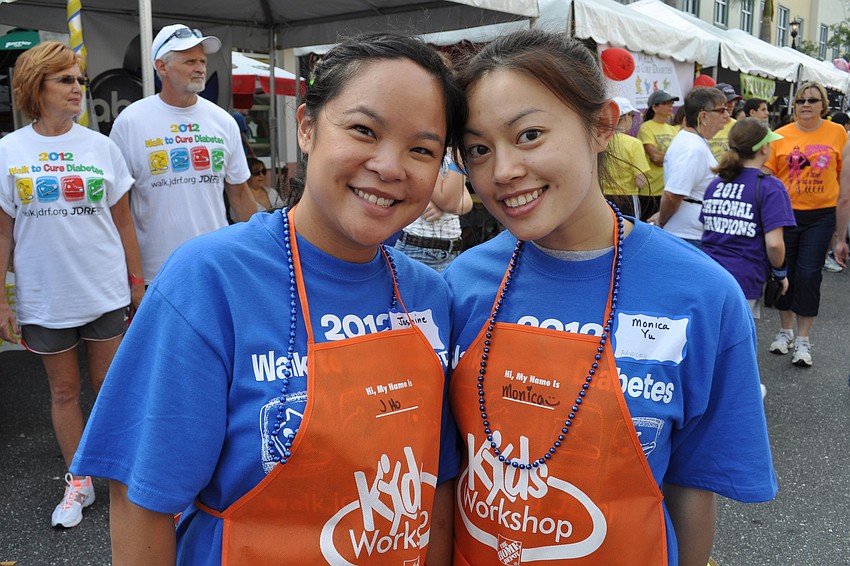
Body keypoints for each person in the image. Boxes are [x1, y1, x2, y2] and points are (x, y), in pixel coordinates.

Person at [71, 33, 464, 565]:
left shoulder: (430, 293)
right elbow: (141, 496)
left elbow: (435, 482)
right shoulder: (211, 279)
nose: (391, 167)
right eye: (363, 130)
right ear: (306, 127)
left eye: (422, 149)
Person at [445, 29, 776, 566]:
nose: (502, 171)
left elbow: (692, 483)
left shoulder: (704, 295)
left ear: (601, 126)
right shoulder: (460, 284)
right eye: (479, 149)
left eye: (528, 135)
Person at [0, 42, 144, 528]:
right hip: (45, 296)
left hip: (103, 289)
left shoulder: (101, 147)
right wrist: (1, 297)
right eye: (65, 80)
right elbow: (2, 232)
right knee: (64, 392)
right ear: (34, 88)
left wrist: (138, 285)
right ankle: (78, 482)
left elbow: (125, 225)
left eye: (79, 79)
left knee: (109, 386)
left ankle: (124, 476)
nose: (78, 88)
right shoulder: (9, 151)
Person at [110, 24, 256, 285]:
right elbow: (119, 210)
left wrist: (258, 251)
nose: (200, 67)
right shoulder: (130, 122)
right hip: (157, 271)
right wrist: (133, 278)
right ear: (162, 67)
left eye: (202, 60)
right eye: (189, 61)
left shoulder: (222, 121)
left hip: (215, 264)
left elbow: (240, 194)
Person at [700, 118, 796, 397]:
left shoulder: (716, 183)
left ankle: (710, 393)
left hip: (709, 273)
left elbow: (709, 228)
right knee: (739, 340)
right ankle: (742, 395)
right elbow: (775, 244)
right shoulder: (770, 186)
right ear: (764, 149)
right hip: (745, 274)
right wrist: (780, 274)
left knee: (712, 339)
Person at [764, 81, 850, 367]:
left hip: (821, 215)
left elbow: (844, 184)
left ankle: (803, 339)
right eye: (801, 100)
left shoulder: (837, 133)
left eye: (812, 100)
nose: (806, 105)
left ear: (823, 105)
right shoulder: (777, 134)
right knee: (783, 272)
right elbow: (763, 173)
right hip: (784, 214)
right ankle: (784, 330)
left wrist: (840, 234)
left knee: (810, 274)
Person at [653, 87, 729, 248]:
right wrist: (661, 220)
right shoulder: (692, 148)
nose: (727, 116)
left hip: (691, 231)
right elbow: (673, 194)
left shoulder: (694, 142)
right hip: (688, 234)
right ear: (704, 116)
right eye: (721, 110)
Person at [395, 149, 472, 271]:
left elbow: (466, 202)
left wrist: (443, 207)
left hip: (452, 249)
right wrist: (459, 160)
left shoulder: (449, 155)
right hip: (420, 249)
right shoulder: (424, 153)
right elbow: (449, 201)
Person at [601, 96, 649, 218]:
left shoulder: (600, 141)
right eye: (632, 115)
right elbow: (641, 181)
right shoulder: (633, 143)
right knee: (630, 233)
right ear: (625, 117)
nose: (632, 119)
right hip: (628, 198)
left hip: (601, 197)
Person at [637, 89, 678, 222]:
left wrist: (665, 158)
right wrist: (671, 158)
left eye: (671, 103)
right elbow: (655, 157)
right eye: (666, 103)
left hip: (668, 189)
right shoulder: (646, 127)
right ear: (654, 107)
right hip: (651, 191)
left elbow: (669, 158)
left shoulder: (673, 129)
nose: (670, 106)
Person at [708, 83, 742, 160]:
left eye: (734, 101)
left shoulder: (739, 127)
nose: (731, 105)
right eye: (728, 101)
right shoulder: (704, 125)